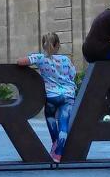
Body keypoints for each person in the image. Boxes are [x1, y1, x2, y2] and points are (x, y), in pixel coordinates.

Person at [16, 32, 76, 163]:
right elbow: (72, 75)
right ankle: (58, 153)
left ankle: (54, 142)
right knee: (64, 122)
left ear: (43, 45)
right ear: (58, 45)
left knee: (50, 117)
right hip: (68, 95)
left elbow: (20, 62)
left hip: (51, 95)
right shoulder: (66, 60)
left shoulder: (40, 58)